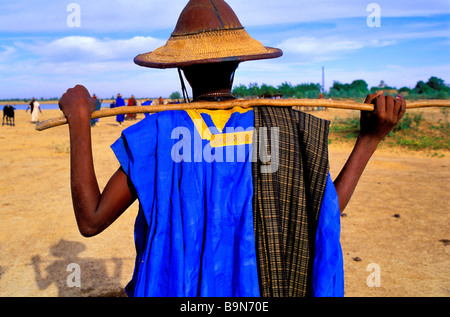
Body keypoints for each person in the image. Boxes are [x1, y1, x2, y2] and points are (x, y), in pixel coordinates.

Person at [58, 0, 406, 297]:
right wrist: (369, 139)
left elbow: (91, 220)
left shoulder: (159, 135)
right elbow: (323, 209)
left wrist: (78, 120)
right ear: (239, 63)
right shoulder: (282, 129)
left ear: (180, 67)